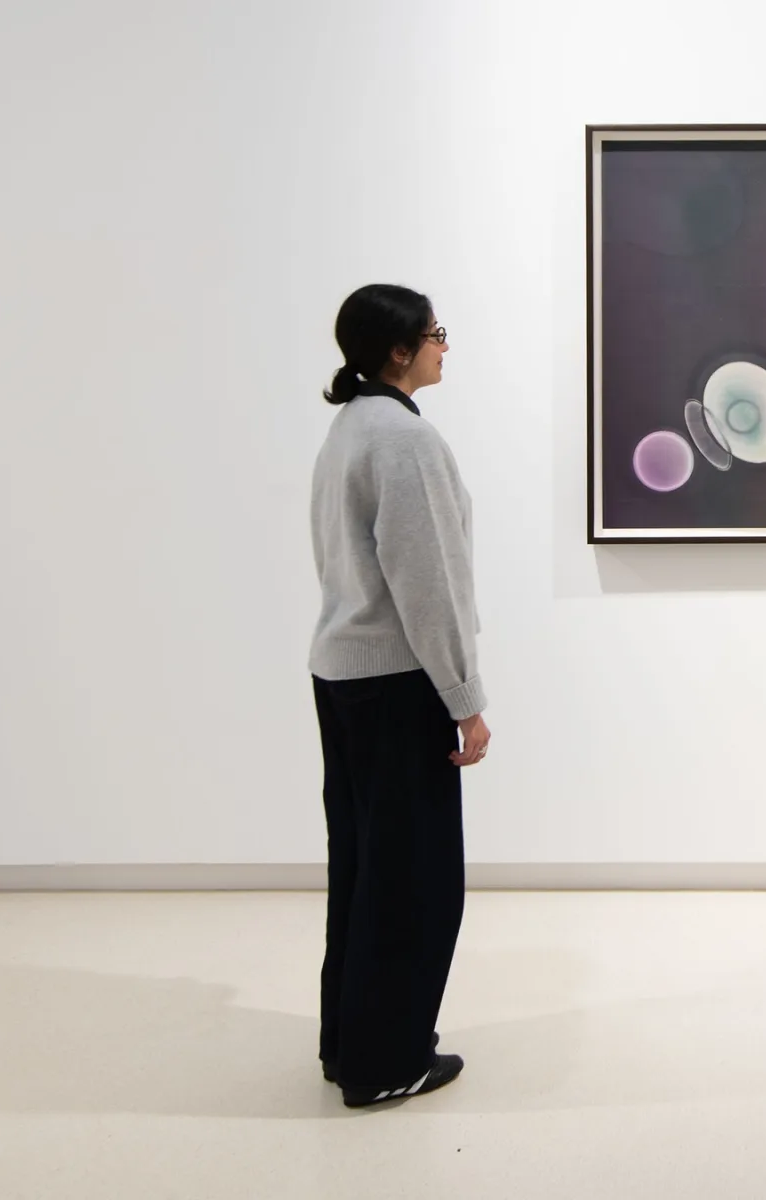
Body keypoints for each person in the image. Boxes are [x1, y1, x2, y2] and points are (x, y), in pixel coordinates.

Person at [308, 283, 490, 1109]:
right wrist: (464, 697)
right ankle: (386, 1065)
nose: (445, 346)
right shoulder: (403, 439)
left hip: (343, 674)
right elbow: (429, 584)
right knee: (414, 883)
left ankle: (351, 1044)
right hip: (396, 682)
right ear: (399, 350)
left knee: (365, 871)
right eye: (436, 333)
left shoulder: (350, 428)